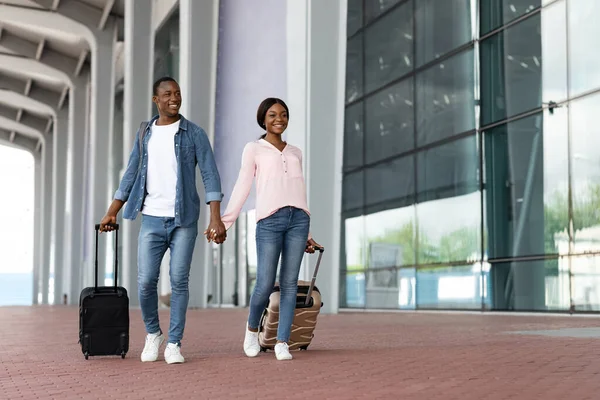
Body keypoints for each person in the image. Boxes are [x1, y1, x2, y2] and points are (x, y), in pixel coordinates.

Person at [99, 76, 226, 364]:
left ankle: (174, 343)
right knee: (145, 282)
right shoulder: (145, 133)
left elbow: (210, 175)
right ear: (156, 100)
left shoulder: (194, 133)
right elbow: (131, 173)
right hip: (152, 220)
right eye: (167, 94)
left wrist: (215, 218)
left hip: (184, 220)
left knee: (179, 280)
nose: (174, 98)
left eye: (177, 93)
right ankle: (153, 333)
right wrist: (112, 211)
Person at [216, 97, 321, 361]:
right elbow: (242, 185)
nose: (279, 119)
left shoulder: (296, 152)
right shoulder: (254, 148)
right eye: (273, 115)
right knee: (264, 282)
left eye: (284, 114)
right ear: (263, 119)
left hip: (299, 219)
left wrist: (307, 233)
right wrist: (225, 221)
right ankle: (252, 330)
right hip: (269, 221)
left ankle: (282, 341)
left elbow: (298, 190)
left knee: (288, 283)